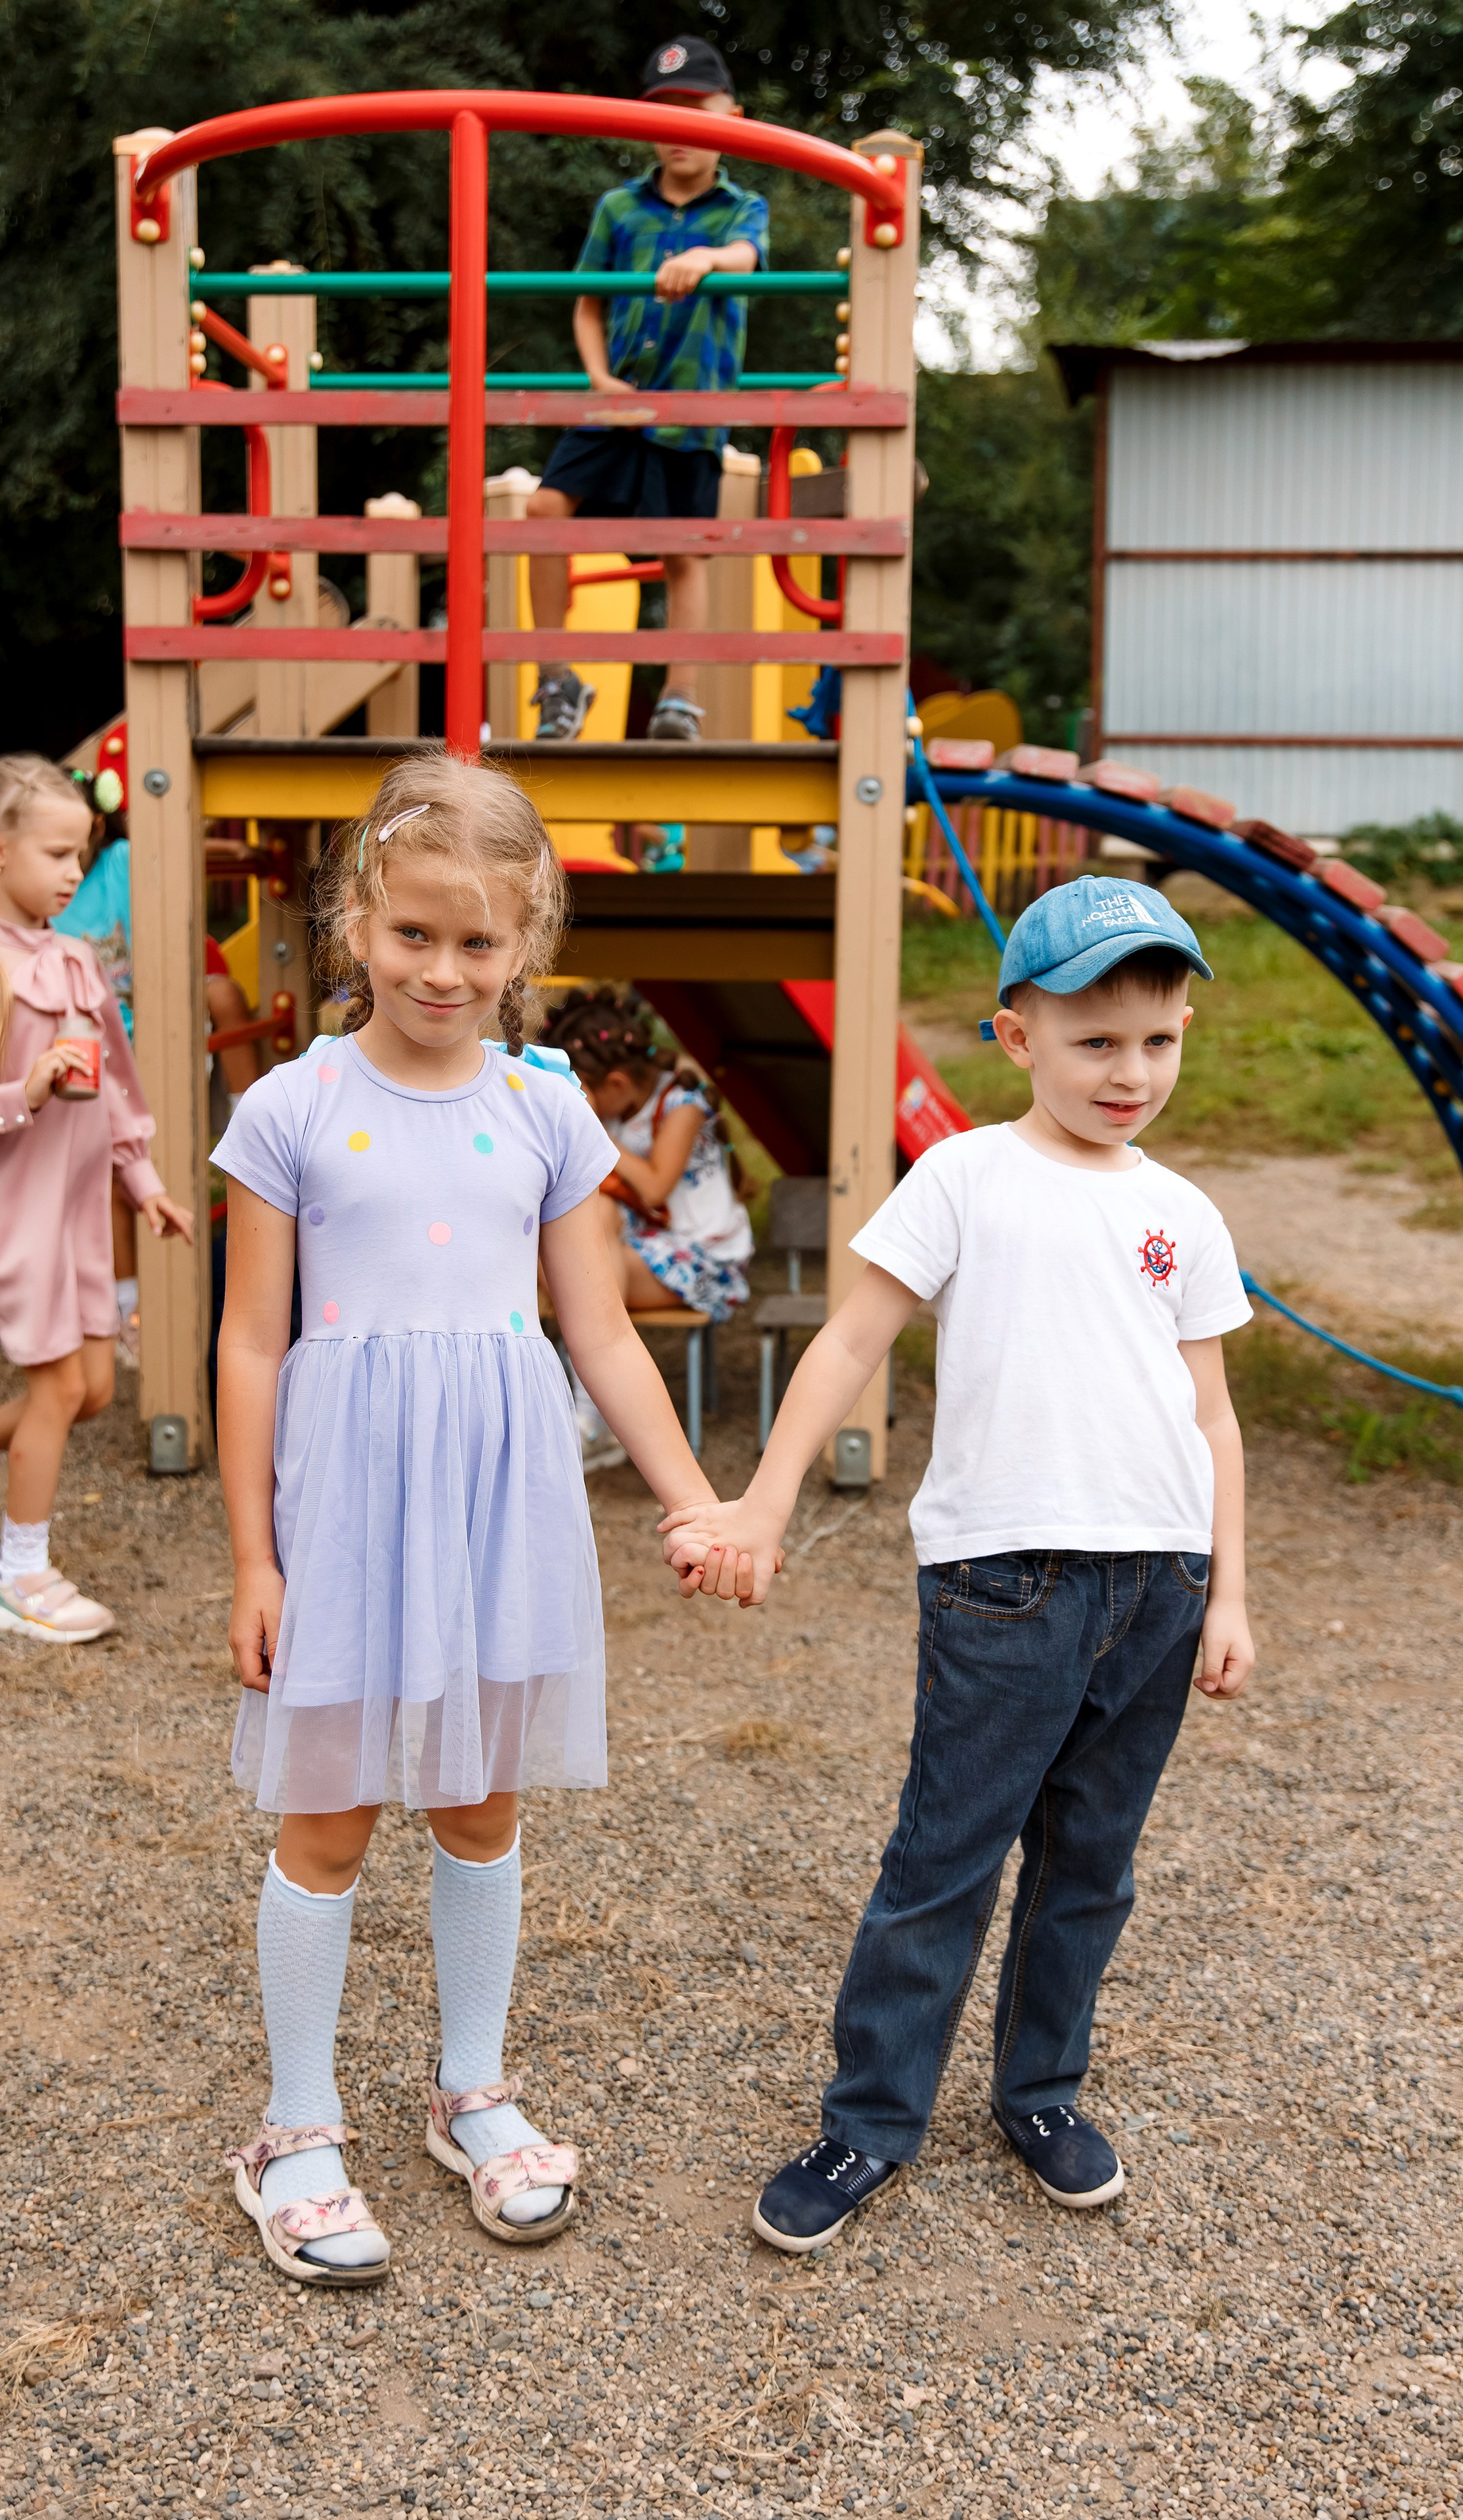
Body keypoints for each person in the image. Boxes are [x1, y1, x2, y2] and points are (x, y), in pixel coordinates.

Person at [662, 875, 1256, 2252]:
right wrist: (760, 1501)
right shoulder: (965, 1176)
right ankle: (868, 2121)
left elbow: (1209, 1415)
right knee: (945, 1859)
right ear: (1015, 1036)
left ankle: (1038, 2094)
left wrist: (1226, 1591)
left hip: (1157, 1586)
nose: (1130, 1071)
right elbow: (849, 1342)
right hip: (1005, 1582)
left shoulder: (1184, 1212)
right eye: (1094, 1039)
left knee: (1090, 1866)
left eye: (1157, 1040)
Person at [213, 748, 734, 2282]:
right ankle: (293, 2125)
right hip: (352, 1511)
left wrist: (693, 1495)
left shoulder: (549, 1108)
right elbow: (249, 1343)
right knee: (328, 1814)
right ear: (359, 916)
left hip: (500, 1509)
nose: (443, 969)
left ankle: (470, 2088)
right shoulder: (287, 1107)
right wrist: (252, 1554)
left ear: (526, 945)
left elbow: (602, 1331)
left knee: (480, 1805)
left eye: (478, 942)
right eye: (414, 933)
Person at [0, 756, 194, 1641]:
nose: (76, 873)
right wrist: (20, 1093)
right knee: (59, 1389)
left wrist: (142, 1182)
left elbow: (118, 1092)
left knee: (95, 1388)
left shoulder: (76, 961)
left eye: (81, 854)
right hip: (17, 1219)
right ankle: (17, 1575)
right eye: (59, 855)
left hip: (78, 1222)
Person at [526, 37, 767, 742]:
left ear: (733, 118)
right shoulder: (619, 210)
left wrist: (706, 257)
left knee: (681, 550)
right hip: (618, 398)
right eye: (665, 114)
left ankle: (678, 699)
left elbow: (748, 260)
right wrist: (597, 378)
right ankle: (555, 678)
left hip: (691, 408)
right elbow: (588, 301)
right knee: (544, 509)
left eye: (698, 111)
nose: (680, 130)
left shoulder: (738, 209)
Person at [53, 824, 260, 1364]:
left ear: (96, 822)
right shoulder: (47, 892)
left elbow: (168, 842)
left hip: (159, 1021)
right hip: (98, 1045)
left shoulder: (118, 860)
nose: (66, 852)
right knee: (112, 1177)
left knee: (223, 991)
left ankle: (254, 1127)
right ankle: (130, 1310)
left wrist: (226, 849)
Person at [541, 991, 753, 1471]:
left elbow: (656, 1187)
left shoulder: (684, 1104)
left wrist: (597, 1135)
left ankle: (592, 1414)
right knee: (565, 1255)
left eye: (582, 1095)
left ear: (615, 1082)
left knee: (570, 1277)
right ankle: (588, 1409)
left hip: (707, 1260)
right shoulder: (617, 1106)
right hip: (650, 1249)